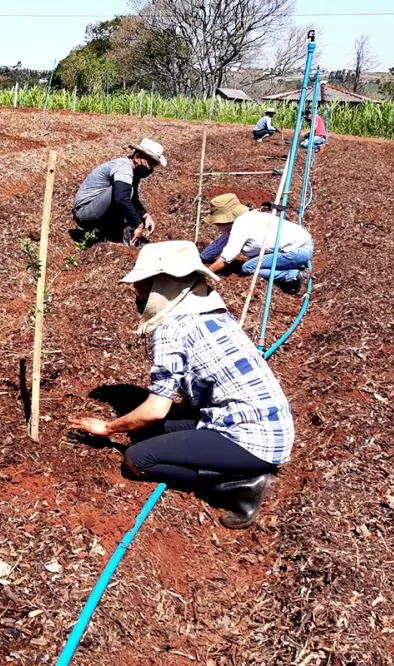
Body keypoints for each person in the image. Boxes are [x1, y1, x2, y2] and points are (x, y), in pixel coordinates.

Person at [69, 241, 294, 528]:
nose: (135, 293)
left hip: (252, 441)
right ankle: (233, 470)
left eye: (141, 285)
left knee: (138, 459)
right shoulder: (212, 312)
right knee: (146, 433)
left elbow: (155, 410)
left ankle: (236, 487)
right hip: (269, 427)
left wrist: (108, 428)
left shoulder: (171, 328)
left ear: (162, 286)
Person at [200, 193, 313, 294]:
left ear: (225, 219)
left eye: (217, 221)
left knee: (248, 267)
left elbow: (227, 258)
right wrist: (202, 257)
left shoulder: (241, 225)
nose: (216, 225)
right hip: (302, 244)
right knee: (253, 261)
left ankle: (293, 275)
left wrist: (205, 274)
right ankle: (291, 267)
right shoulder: (245, 218)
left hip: (297, 251)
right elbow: (219, 244)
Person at [72, 138, 167, 246]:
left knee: (127, 193)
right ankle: (114, 236)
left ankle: (113, 234)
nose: (150, 168)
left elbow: (133, 199)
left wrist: (145, 216)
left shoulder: (132, 172)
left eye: (153, 165)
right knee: (123, 193)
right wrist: (137, 224)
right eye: (150, 163)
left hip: (94, 212)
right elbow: (121, 197)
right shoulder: (124, 167)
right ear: (137, 157)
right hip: (85, 213)